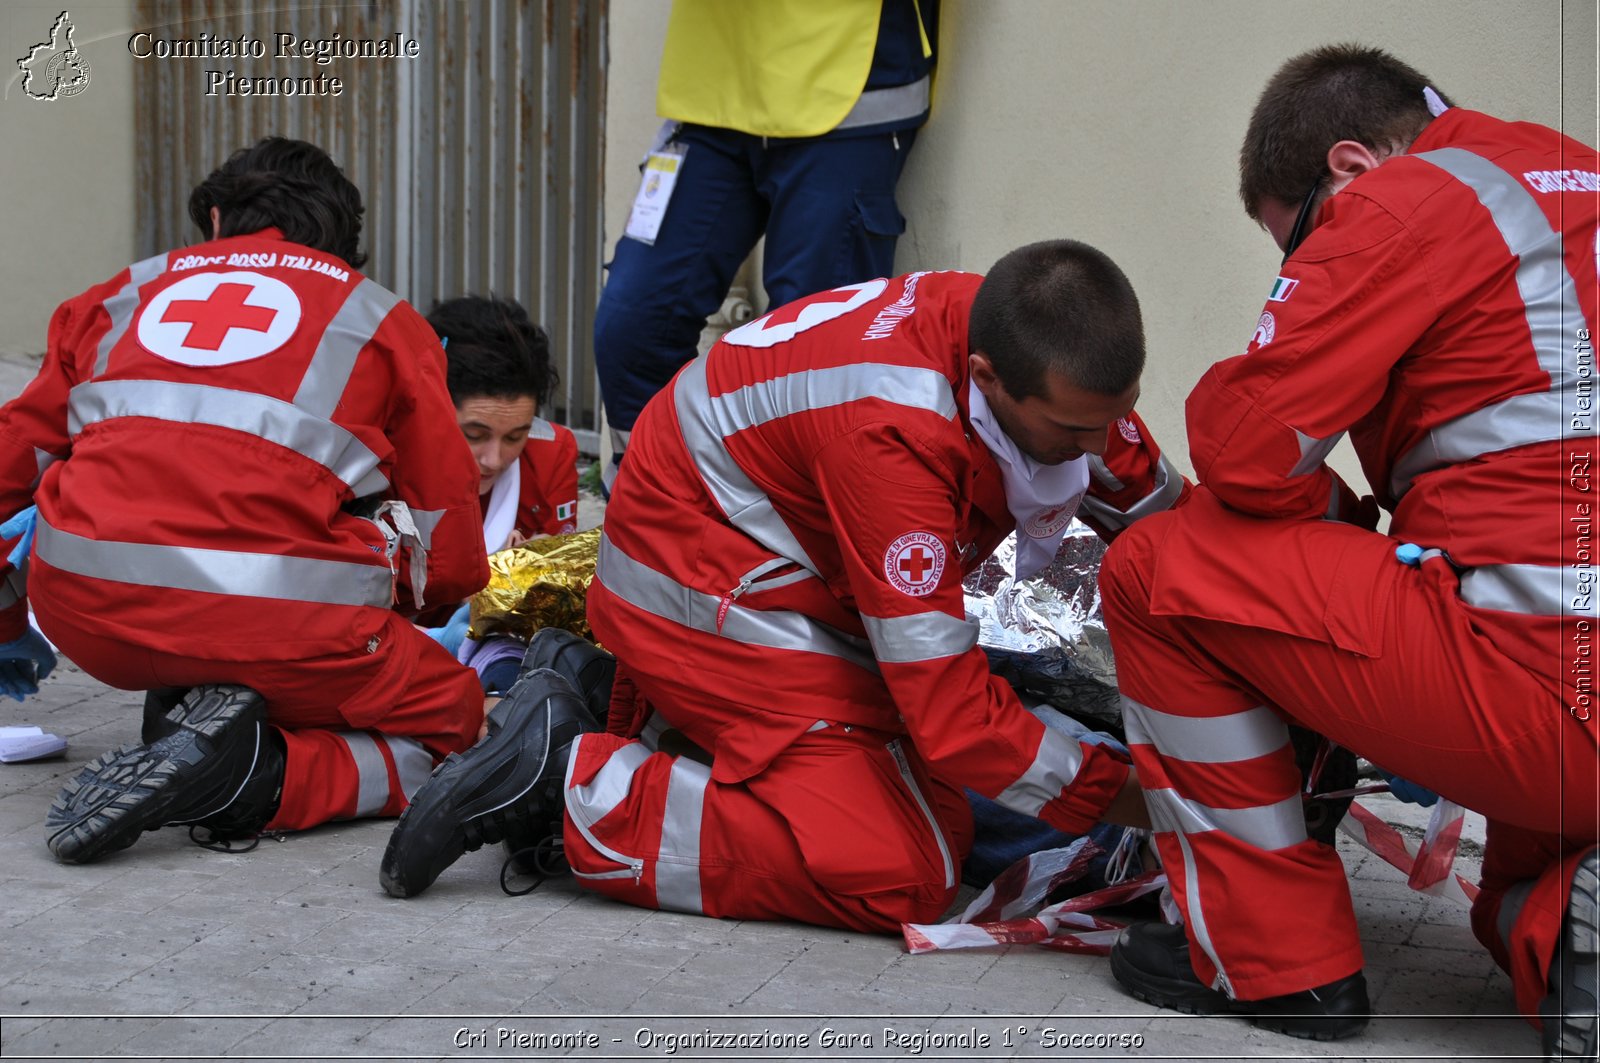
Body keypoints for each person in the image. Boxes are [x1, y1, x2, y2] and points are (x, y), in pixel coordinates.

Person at [379, 239, 1191, 930]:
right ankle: (570, 788)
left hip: (767, 564)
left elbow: (1167, 517)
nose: (1098, 446)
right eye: (1076, 432)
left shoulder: (1036, 346)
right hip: (699, 576)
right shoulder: (895, 436)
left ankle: (628, 708)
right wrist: (1156, 801)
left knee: (952, 803)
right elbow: (950, 715)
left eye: (1114, 418)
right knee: (904, 868)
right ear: (986, 377)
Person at [1096, 45, 1598, 1056]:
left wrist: (1330, 508)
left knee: (1156, 567)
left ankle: (1274, 964)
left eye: (1298, 250)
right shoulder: (1572, 172)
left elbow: (1244, 451)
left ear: (1350, 167)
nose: (1300, 273)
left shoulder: (1405, 199)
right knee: (1515, 908)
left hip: (1549, 687)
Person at [0, 137, 506, 863]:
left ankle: (190, 720)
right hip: (286, 626)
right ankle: (252, 776)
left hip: (89, 618)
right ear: (344, 244)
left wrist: (6, 618)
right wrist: (416, 621)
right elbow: (444, 524)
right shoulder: (380, 320)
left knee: (215, 651)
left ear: (212, 219)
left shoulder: (113, 298)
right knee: (455, 722)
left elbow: (9, 464)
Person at [594, 0, 938, 493]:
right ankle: (650, 502)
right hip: (713, 89)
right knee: (633, 325)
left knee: (811, 354)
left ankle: (782, 530)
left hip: (848, 87)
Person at [426, 295, 579, 553]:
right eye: (474, 435)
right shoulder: (388, 458)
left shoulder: (551, 455)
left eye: (514, 437)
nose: (494, 460)